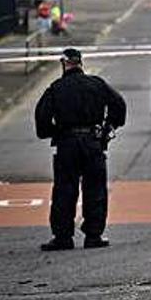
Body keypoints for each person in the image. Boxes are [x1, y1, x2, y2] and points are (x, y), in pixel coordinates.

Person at [34, 48, 126, 251]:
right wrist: (108, 128)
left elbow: (41, 118)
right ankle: (93, 235)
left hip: (67, 144)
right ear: (80, 63)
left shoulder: (56, 88)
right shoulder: (97, 84)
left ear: (64, 64)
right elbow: (119, 106)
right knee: (95, 188)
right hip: (93, 142)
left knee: (64, 190)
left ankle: (63, 237)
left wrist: (54, 132)